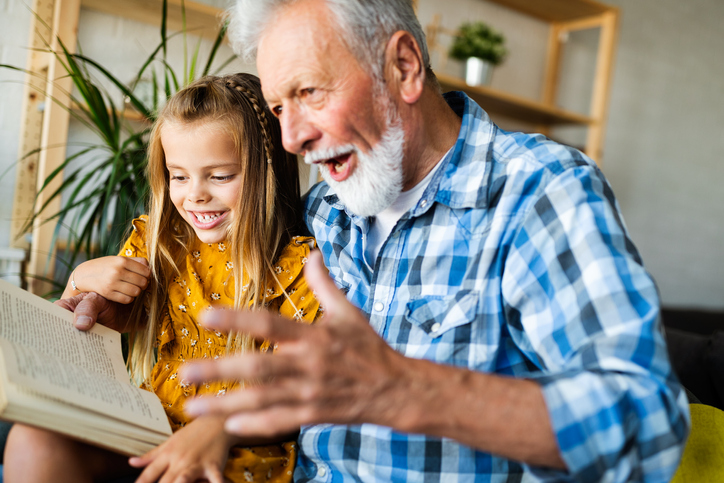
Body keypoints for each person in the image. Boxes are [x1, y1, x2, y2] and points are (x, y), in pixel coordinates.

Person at [59, 1, 690, 482]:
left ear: (404, 66)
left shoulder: (538, 192)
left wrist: (408, 391)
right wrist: (123, 310)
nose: (291, 140)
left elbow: (648, 422)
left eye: (309, 92)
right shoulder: (323, 212)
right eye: (279, 107)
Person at [3, 73, 321, 483]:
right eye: (179, 175)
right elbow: (110, 317)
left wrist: (219, 426)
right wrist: (84, 287)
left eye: (220, 176)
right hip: (154, 426)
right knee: (33, 441)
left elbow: (304, 393)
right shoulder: (160, 241)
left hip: (236, 448)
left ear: (268, 170)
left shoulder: (301, 269)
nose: (195, 195)